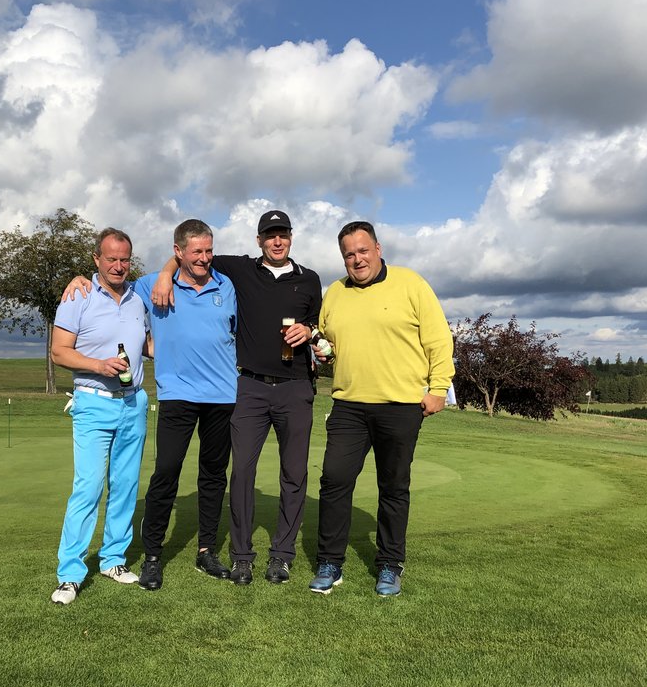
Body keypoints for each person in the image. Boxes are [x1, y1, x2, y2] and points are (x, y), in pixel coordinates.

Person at [64, 219, 238, 591]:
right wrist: (80, 278)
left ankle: (206, 551)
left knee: (213, 476)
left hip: (223, 395)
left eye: (209, 250)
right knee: (166, 473)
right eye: (196, 251)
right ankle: (153, 557)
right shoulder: (149, 285)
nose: (204, 258)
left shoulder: (226, 285)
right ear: (178, 252)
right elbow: (111, 284)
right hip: (176, 395)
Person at [150, 209, 321, 586]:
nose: (277, 241)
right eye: (270, 235)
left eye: (283, 234)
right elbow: (190, 257)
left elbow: (317, 323)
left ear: (291, 237)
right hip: (249, 388)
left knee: (294, 474)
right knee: (241, 473)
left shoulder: (310, 279)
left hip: (295, 387)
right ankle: (242, 557)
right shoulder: (239, 270)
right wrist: (164, 274)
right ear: (259, 240)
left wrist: (309, 331)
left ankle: (282, 555)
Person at [308, 220, 454, 597]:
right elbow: (328, 344)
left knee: (393, 486)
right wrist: (324, 352)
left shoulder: (411, 284)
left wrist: (439, 388)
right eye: (349, 254)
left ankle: (390, 564)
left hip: (400, 405)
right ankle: (330, 562)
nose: (357, 260)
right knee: (334, 480)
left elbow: (439, 340)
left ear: (378, 249)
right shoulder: (335, 293)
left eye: (363, 251)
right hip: (349, 404)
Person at [49, 228, 150, 606]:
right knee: (88, 488)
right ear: (96, 259)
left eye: (125, 259)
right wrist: (98, 365)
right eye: (111, 259)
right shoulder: (79, 295)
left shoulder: (138, 298)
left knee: (125, 486)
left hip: (134, 402)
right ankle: (70, 574)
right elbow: (59, 351)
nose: (119, 266)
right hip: (93, 402)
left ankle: (113, 560)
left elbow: (148, 344)